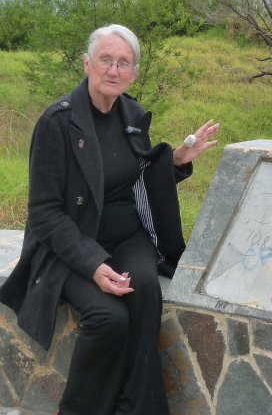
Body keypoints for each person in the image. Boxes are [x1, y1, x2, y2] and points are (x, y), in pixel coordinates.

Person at [0, 24, 220, 415]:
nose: (113, 70)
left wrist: (176, 162)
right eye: (105, 59)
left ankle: (140, 407)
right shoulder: (57, 124)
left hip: (127, 236)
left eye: (123, 63)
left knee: (146, 289)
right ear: (87, 64)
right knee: (108, 317)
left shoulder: (132, 113)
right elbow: (44, 214)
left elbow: (139, 177)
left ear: (133, 72)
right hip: (68, 248)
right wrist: (92, 264)